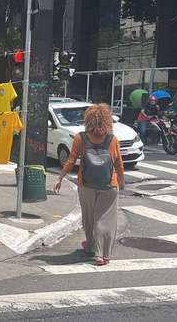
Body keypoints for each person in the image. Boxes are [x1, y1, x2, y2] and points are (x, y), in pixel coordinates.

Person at [54, 104, 124, 266]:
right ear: (107, 121)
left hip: (86, 184)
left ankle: (92, 246)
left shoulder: (81, 137)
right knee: (105, 219)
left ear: (88, 120)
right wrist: (120, 180)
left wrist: (60, 178)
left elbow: (71, 160)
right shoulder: (112, 139)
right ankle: (103, 255)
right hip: (109, 185)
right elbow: (118, 163)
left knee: (89, 218)